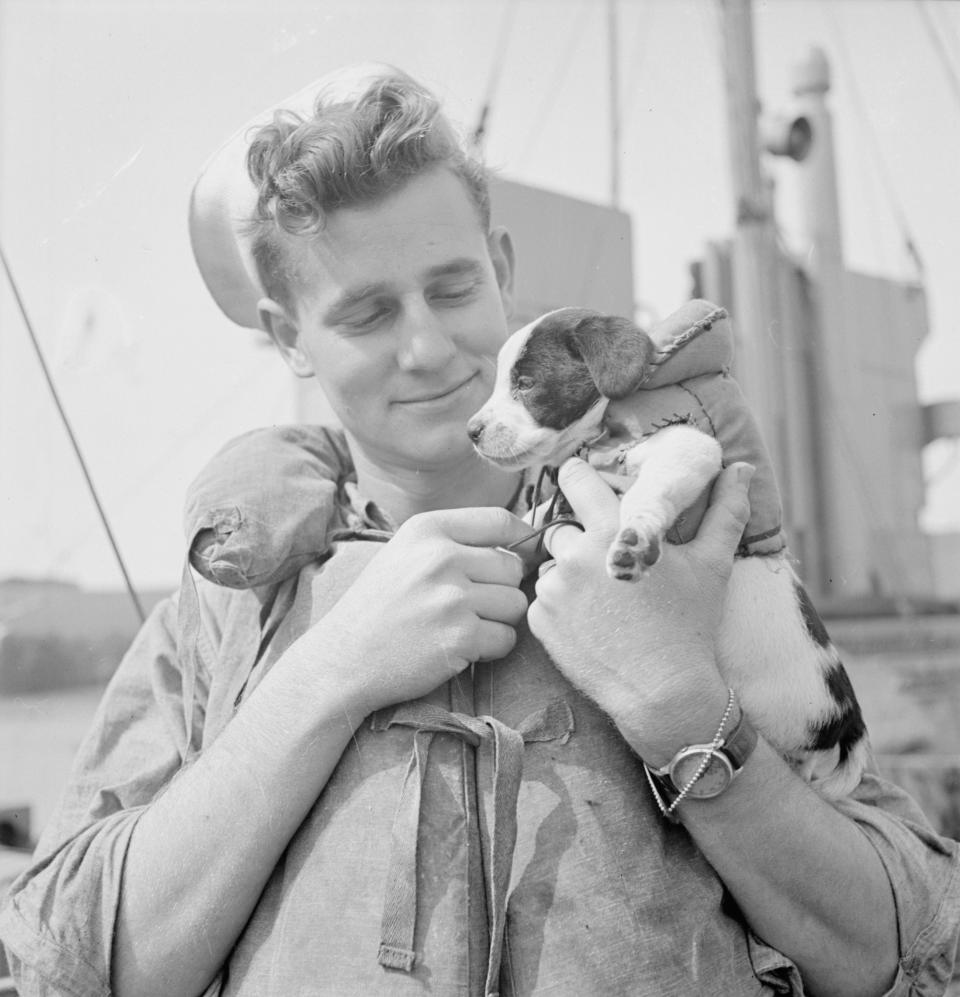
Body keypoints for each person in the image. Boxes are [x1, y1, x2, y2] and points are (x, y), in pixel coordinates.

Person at [1, 63, 958, 997]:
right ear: (288, 334)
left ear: (501, 268)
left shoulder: (686, 546)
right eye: (368, 312)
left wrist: (681, 705)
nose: (427, 347)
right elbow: (73, 963)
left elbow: (912, 945)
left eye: (453, 288)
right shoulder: (230, 600)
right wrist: (331, 672)